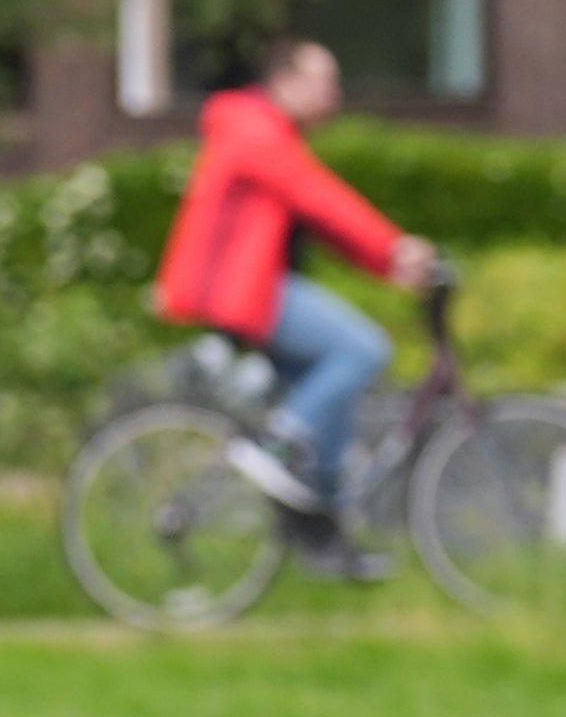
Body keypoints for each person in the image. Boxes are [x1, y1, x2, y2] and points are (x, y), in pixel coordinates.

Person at [150, 40, 442, 556]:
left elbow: (323, 221)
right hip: (243, 292)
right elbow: (320, 198)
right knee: (363, 350)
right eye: (323, 82)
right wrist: (396, 248)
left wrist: (388, 263)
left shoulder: (265, 129)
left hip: (253, 289)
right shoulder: (255, 130)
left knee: (332, 396)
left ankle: (321, 533)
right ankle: (277, 445)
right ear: (284, 82)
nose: (334, 95)